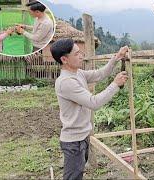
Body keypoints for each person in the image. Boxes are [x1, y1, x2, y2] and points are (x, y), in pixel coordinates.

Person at [50, 38, 128, 180]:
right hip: (73, 142)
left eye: (80, 52)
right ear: (64, 59)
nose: (81, 56)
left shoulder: (77, 73)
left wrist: (117, 57)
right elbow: (94, 103)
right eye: (76, 54)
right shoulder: (67, 82)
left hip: (81, 138)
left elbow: (99, 74)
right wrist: (115, 84)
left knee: (77, 175)